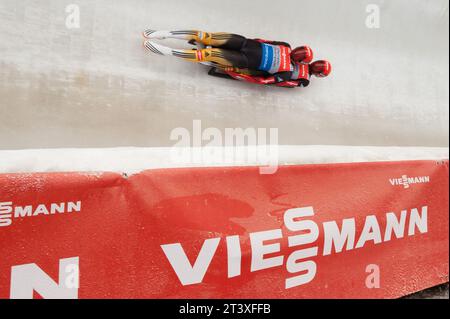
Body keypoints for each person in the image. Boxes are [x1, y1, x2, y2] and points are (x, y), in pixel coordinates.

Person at [142, 29, 331, 87]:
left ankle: (167, 51)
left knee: (207, 54)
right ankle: (166, 33)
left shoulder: (289, 74)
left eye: (299, 55)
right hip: (244, 43)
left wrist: (238, 73)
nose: (296, 53)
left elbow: (265, 80)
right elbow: (263, 40)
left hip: (242, 59)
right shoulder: (286, 45)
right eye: (298, 51)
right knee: (206, 36)